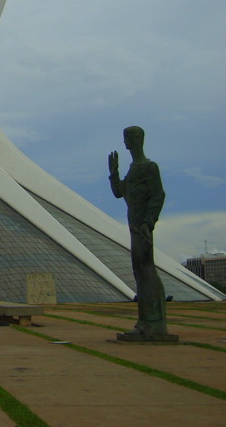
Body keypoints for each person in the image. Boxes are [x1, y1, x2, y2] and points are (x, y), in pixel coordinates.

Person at [109, 126, 168, 336]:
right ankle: (146, 321)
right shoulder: (133, 169)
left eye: (128, 137)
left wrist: (148, 221)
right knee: (139, 271)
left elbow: (158, 195)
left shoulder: (149, 167)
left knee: (146, 270)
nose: (125, 142)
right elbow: (119, 193)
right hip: (134, 225)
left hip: (142, 226)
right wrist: (113, 173)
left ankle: (154, 321)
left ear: (139, 139)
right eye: (124, 137)